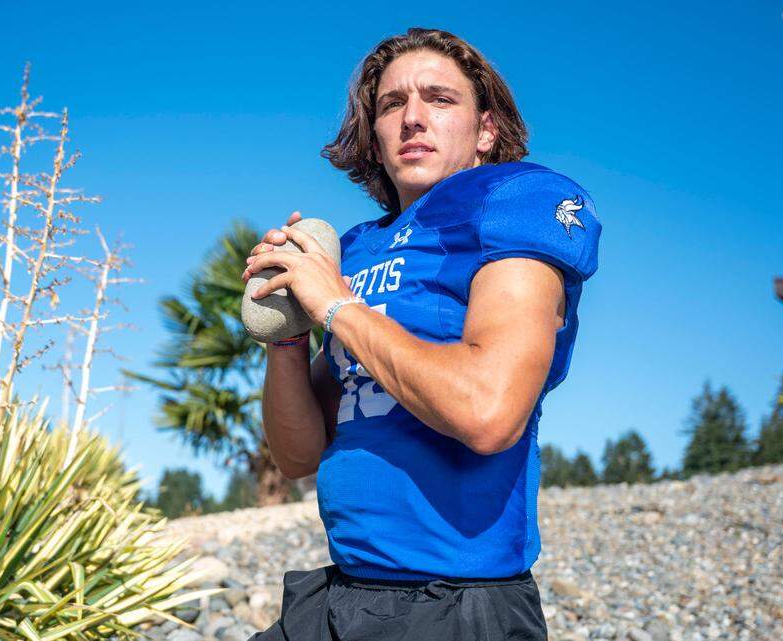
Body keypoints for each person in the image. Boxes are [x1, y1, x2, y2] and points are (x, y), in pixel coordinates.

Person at [239, 27, 601, 641]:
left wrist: (334, 305)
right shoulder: (355, 249)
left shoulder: (516, 202)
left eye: (439, 98)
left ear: (486, 129)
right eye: (390, 104)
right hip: (343, 590)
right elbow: (300, 454)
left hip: (454, 603)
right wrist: (286, 335)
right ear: (373, 138)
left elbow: (488, 412)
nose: (412, 118)